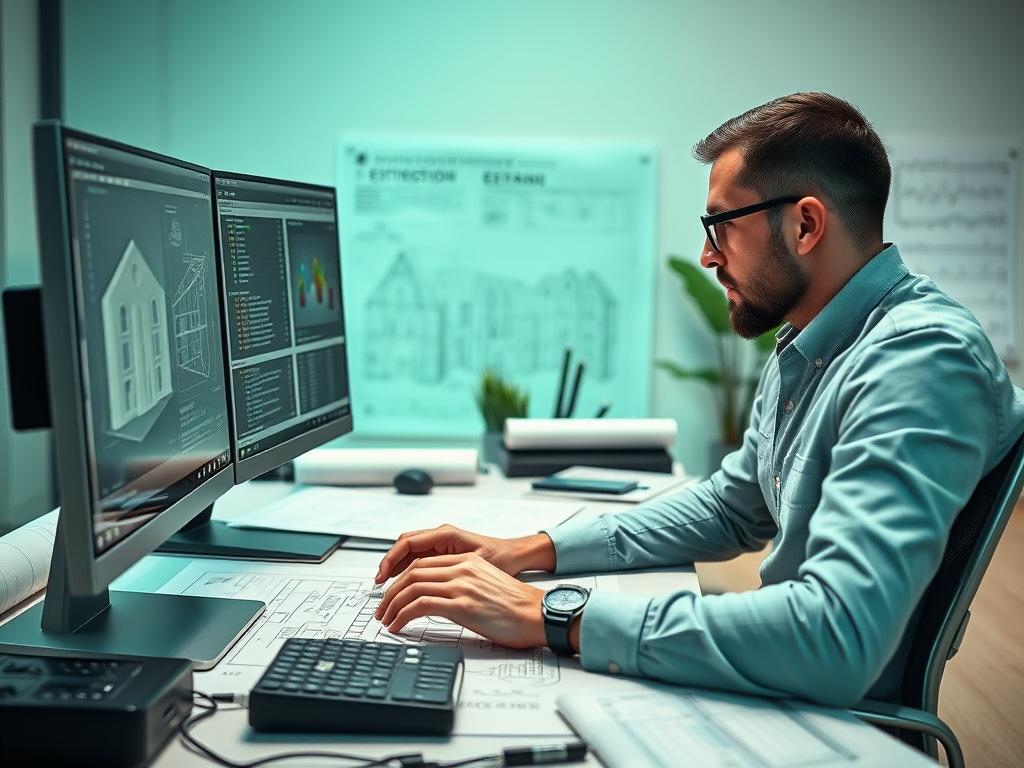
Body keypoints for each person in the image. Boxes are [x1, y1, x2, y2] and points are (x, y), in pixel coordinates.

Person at [372, 92, 1024, 707]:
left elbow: (836, 637)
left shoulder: (922, 360)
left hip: (825, 714)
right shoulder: (814, 340)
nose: (707, 257)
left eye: (721, 226)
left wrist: (550, 616)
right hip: (781, 686)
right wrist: (528, 550)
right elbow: (731, 507)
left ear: (805, 225)